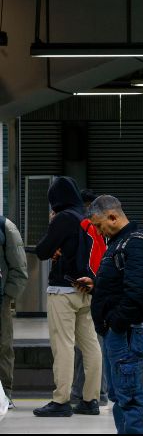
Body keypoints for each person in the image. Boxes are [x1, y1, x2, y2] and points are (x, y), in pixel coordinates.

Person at [77, 195, 143, 433]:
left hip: (126, 333)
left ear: (113, 216)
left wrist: (115, 323)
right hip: (118, 333)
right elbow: (123, 286)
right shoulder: (119, 243)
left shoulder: (135, 244)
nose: (99, 232)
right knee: (119, 396)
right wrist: (96, 287)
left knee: (129, 397)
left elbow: (137, 294)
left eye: (100, 225)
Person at [33, 177, 103, 417]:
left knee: (63, 345)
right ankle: (90, 400)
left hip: (63, 291)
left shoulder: (63, 218)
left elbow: (43, 251)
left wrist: (52, 234)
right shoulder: (85, 217)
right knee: (90, 345)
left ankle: (61, 400)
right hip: (85, 289)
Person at [71, 189, 109, 408]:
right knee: (95, 344)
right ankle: (98, 392)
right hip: (100, 290)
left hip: (90, 291)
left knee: (86, 346)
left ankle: (83, 393)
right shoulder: (102, 230)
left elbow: (91, 260)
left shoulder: (87, 226)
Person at [0, 215, 27, 411]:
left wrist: (8, 295)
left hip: (0, 298)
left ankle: (4, 393)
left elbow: (19, 265)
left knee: (3, 346)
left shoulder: (5, 226)